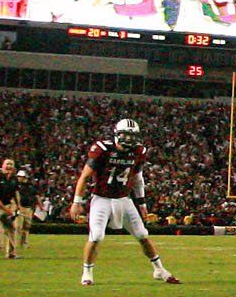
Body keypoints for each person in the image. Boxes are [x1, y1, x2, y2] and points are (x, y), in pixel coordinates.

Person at [69, 118, 178, 286]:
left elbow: (137, 179)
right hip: (102, 199)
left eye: (132, 136)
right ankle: (87, 272)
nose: (129, 140)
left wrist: (142, 204)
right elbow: (84, 176)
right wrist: (77, 202)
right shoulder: (102, 149)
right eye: (126, 136)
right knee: (96, 236)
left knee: (143, 235)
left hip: (124, 199)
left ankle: (159, 269)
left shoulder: (139, 151)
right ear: (117, 134)